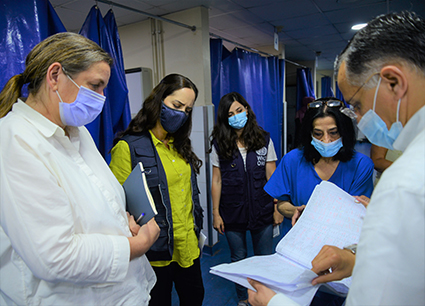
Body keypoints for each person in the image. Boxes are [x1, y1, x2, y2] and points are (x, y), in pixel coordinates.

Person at [248, 11, 425, 306]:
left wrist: (274, 303)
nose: (357, 116)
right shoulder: (295, 161)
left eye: (355, 104)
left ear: (393, 82)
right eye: (318, 134)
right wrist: (357, 261)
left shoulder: (405, 184)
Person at [0, 32, 160, 305]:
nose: (101, 98)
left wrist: (124, 221)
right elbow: (55, 257)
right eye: (95, 85)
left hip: (123, 291)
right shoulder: (14, 142)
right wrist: (139, 244)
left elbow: (96, 202)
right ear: (54, 76)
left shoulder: (76, 131)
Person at [109, 74, 204, 306]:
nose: (181, 113)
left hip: (188, 247)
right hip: (155, 253)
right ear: (159, 100)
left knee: (195, 298)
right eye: (176, 105)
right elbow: (115, 207)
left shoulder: (179, 146)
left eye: (187, 109)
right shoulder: (128, 147)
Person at [210, 92, 283, 306]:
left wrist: (277, 206)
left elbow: (272, 175)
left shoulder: (263, 139)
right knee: (238, 257)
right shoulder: (219, 143)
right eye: (230, 114)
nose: (235, 116)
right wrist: (216, 213)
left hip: (262, 206)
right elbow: (216, 180)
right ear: (225, 118)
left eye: (239, 110)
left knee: (264, 258)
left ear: (247, 110)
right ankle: (243, 298)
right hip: (232, 209)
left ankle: (263, 298)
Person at [264, 97, 374, 235]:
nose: (326, 140)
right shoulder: (292, 160)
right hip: (298, 239)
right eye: (318, 134)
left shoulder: (360, 165)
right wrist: (296, 211)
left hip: (340, 242)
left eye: (333, 133)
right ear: (309, 134)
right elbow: (282, 203)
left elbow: (356, 211)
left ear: (344, 132)